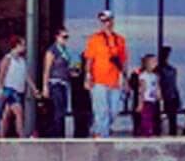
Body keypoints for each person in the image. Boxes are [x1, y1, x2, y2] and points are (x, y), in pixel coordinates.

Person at [81, 10, 127, 138]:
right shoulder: (95, 39)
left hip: (115, 81)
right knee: (101, 111)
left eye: (107, 20)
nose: (105, 23)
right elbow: (89, 59)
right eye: (103, 21)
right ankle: (102, 137)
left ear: (112, 21)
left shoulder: (120, 40)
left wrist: (125, 79)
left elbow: (123, 61)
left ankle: (97, 129)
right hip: (98, 80)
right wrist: (88, 76)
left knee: (113, 111)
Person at [40, 27, 75, 138]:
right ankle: (56, 136)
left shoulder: (65, 51)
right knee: (58, 111)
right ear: (57, 37)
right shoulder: (52, 50)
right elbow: (47, 69)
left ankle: (60, 135)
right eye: (64, 37)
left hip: (64, 83)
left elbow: (66, 67)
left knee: (63, 110)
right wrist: (45, 86)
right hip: (55, 83)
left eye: (67, 37)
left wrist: (72, 72)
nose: (65, 39)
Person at [0, 35, 31, 138]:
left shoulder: (22, 60)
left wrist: (33, 89)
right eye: (22, 45)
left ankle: (1, 135)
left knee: (6, 115)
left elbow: (26, 76)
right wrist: (0, 89)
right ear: (17, 45)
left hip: (19, 89)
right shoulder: (8, 58)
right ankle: (21, 135)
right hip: (10, 89)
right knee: (19, 112)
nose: (24, 47)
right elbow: (2, 74)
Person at [157, 46, 181, 136]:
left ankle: (172, 134)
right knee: (163, 119)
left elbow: (173, 84)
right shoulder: (159, 70)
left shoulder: (171, 70)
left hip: (171, 96)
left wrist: (177, 96)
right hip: (164, 96)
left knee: (172, 119)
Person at [136, 54, 161, 136]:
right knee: (146, 117)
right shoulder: (143, 76)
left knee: (152, 116)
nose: (155, 64)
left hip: (152, 100)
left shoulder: (155, 76)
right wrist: (140, 103)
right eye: (153, 62)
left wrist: (159, 95)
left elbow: (157, 87)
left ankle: (147, 131)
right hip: (146, 100)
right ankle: (146, 132)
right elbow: (141, 90)